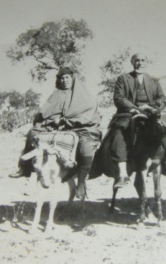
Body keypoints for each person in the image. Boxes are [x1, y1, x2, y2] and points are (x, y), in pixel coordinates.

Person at [96, 53, 166, 189]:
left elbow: (161, 99)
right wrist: (135, 108)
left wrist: (150, 108)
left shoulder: (153, 80)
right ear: (132, 62)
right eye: (137, 60)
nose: (140, 63)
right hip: (129, 114)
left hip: (151, 113)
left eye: (142, 61)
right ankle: (123, 173)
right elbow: (119, 98)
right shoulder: (123, 79)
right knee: (119, 132)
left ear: (146, 63)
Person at [9, 67, 102, 199]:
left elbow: (88, 114)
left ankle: (81, 183)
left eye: (67, 78)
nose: (64, 80)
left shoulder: (84, 95)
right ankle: (24, 169)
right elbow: (44, 112)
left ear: (73, 78)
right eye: (62, 78)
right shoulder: (56, 94)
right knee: (33, 133)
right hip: (57, 126)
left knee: (85, 148)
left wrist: (68, 121)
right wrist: (53, 120)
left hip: (80, 127)